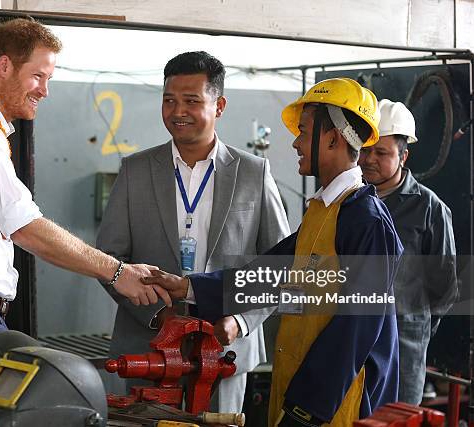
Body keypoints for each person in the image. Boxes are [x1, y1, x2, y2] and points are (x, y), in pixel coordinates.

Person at [0, 18, 170, 386]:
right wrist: (117, 271)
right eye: (39, 76)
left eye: (49, 79)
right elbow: (26, 227)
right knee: (50, 392)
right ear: (4, 66)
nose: (45, 90)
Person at [144, 78, 403, 426]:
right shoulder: (324, 212)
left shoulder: (366, 221)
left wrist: (306, 410)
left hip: (335, 405)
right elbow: (266, 275)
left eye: (305, 131)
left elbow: (357, 327)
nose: (296, 142)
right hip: (304, 395)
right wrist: (187, 287)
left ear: (333, 138)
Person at [96, 51, 290, 413]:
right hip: (149, 342)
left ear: (219, 106)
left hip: (225, 345)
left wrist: (241, 321)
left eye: (191, 101)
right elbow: (109, 259)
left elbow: (279, 266)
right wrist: (158, 315)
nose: (177, 111)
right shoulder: (136, 170)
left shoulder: (253, 173)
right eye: (169, 100)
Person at [358, 99, 458, 404]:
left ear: (404, 156)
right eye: (364, 150)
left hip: (405, 346)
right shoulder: (347, 200)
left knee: (396, 419)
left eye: (381, 153)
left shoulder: (429, 208)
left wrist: (414, 324)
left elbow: (445, 287)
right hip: (351, 340)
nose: (369, 159)